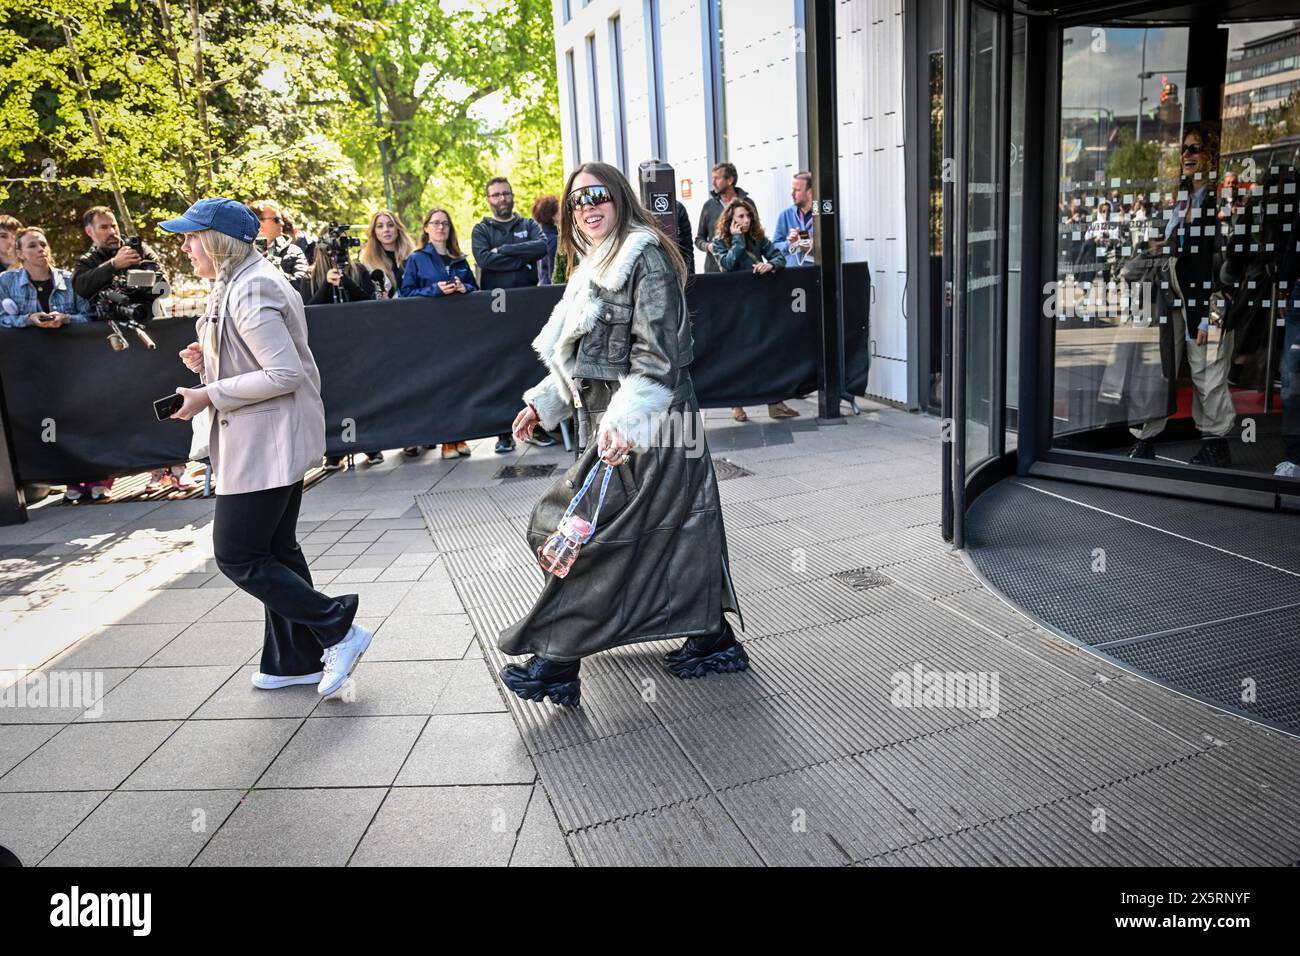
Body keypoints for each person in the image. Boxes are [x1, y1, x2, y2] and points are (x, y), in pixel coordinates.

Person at [499, 161, 747, 707]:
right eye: (577, 200)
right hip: (618, 426)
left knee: (587, 535)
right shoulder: (596, 261)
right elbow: (586, 354)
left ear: (620, 197)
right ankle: (712, 636)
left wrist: (628, 425)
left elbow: (660, 355)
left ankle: (557, 662)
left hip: (651, 427)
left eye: (597, 196)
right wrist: (544, 404)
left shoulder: (645, 256)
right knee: (673, 531)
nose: (587, 207)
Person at [161, 197, 372, 696]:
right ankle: (292, 659)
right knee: (276, 549)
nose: (185, 246)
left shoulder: (252, 286)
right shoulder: (240, 280)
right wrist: (209, 360)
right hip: (266, 437)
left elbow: (283, 373)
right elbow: (259, 360)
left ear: (218, 241)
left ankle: (337, 626)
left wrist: (208, 394)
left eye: (192, 237)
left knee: (236, 553)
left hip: (266, 442)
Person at [1126, 126, 1235, 467]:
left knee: (1207, 372)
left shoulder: (1218, 203)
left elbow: (1213, 261)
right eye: (1184, 150)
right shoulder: (1184, 197)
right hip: (1174, 297)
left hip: (1204, 301)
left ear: (1210, 156)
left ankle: (1216, 443)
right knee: (1162, 367)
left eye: (1195, 148)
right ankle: (1145, 439)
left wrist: (1205, 316)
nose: (1187, 155)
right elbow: (1182, 248)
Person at [0, 228, 108, 501]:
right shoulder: (5, 282)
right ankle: (71, 480)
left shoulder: (70, 280)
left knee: (83, 418)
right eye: (32, 246)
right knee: (53, 424)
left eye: (43, 244)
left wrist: (67, 319)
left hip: (71, 363)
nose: (40, 250)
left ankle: (98, 476)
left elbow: (91, 315)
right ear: (20, 254)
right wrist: (29, 319)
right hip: (31, 368)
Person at [471, 177, 549, 452]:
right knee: (500, 369)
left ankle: (536, 426)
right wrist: (521, 257)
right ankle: (503, 432)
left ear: (512, 195)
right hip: (496, 310)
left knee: (530, 365)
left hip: (527, 307)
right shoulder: (482, 229)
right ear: (488, 199)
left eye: (506, 193)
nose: (502, 198)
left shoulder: (528, 225)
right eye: (496, 195)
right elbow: (484, 260)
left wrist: (504, 250)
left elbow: (540, 248)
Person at [709, 197, 799, 423]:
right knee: (738, 354)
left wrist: (770, 264)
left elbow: (778, 256)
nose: (746, 220)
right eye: (741, 216)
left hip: (759, 305)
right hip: (735, 307)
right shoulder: (720, 242)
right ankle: (736, 404)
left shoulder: (758, 238)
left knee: (766, 351)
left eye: (748, 216)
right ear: (730, 219)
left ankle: (775, 402)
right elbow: (727, 265)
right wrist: (738, 240)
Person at [402, 208, 479, 460]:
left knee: (460, 382)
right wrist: (434, 289)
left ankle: (459, 436)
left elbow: (475, 288)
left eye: (445, 223)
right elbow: (406, 293)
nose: (440, 227)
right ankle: (447, 439)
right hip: (432, 332)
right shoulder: (417, 259)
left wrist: (462, 287)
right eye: (435, 223)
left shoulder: (459, 257)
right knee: (441, 384)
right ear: (426, 228)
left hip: (459, 330)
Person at [71, 205, 167, 302]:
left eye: (113, 226)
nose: (112, 232)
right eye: (104, 227)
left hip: (146, 314)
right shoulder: (86, 261)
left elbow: (163, 286)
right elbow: (80, 288)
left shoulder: (139, 250)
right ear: (89, 231)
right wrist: (113, 265)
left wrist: (134, 277)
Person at [694, 162, 749, 273]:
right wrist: (709, 247)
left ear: (729, 180)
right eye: (713, 178)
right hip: (715, 271)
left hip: (744, 270)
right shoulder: (708, 206)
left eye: (717, 178)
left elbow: (757, 235)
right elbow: (699, 239)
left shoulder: (747, 204)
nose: (713, 183)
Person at [248, 199, 309, 290]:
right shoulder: (240, 251)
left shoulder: (293, 251)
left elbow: (303, 286)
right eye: (276, 220)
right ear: (258, 222)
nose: (282, 223)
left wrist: (272, 266)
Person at [358, 209, 415, 299]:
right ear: (374, 232)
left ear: (398, 229)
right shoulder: (367, 260)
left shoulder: (413, 255)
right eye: (380, 226)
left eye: (390, 225)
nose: (386, 230)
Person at [772, 171, 815, 267]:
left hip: (815, 275)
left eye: (797, 190)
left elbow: (828, 248)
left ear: (810, 192)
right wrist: (790, 243)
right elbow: (774, 246)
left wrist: (804, 245)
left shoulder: (821, 216)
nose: (792, 194)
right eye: (792, 189)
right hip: (792, 275)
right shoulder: (785, 215)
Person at [533, 195, 560, 285]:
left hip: (541, 285)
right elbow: (553, 272)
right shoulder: (553, 239)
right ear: (553, 216)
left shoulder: (538, 237)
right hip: (550, 289)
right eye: (560, 211)